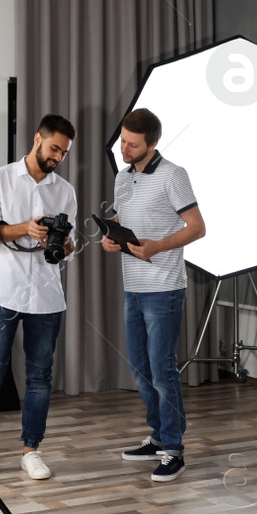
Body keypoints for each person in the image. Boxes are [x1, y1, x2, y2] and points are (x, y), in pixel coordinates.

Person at [0, 114, 78, 484]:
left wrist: (62, 243)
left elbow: (70, 250)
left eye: (64, 152)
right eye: (54, 148)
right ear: (37, 139)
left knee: (40, 378)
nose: (57, 156)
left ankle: (32, 451)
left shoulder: (66, 191)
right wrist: (25, 228)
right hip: (2, 292)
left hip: (46, 296)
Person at [102, 108, 205, 482]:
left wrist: (158, 247)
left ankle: (173, 449)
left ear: (153, 143)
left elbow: (197, 227)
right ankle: (158, 436)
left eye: (132, 144)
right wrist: (110, 238)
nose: (124, 148)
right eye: (123, 141)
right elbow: (121, 221)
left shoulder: (174, 175)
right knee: (140, 369)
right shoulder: (122, 176)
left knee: (162, 370)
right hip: (133, 286)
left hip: (164, 287)